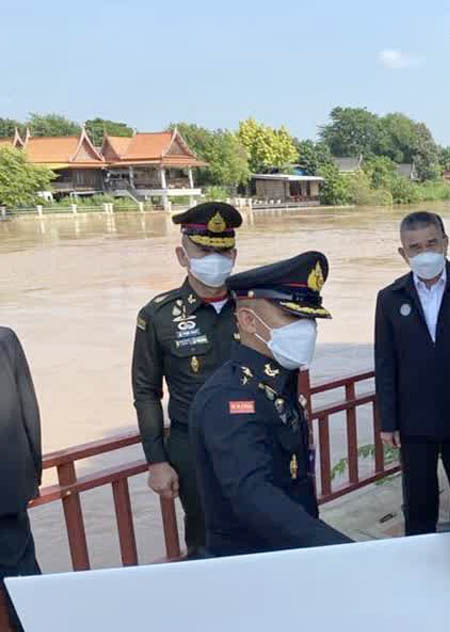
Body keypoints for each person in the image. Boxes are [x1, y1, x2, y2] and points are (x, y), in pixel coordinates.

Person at [190, 252, 350, 556]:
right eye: (292, 317)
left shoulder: (276, 381)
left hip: (289, 550)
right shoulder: (231, 398)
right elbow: (254, 496)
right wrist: (339, 550)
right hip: (252, 559)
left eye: (310, 318)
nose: (307, 329)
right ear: (248, 321)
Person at [132, 202, 242, 557]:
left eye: (222, 251)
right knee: (204, 540)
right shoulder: (159, 316)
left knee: (264, 528)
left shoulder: (254, 306)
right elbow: (146, 391)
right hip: (194, 446)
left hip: (252, 437)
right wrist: (156, 461)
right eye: (204, 251)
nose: (215, 259)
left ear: (234, 256)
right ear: (183, 256)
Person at [375, 212, 450, 535]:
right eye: (415, 247)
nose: (424, 253)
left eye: (431, 243)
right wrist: (388, 421)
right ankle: (420, 556)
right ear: (403, 253)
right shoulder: (390, 298)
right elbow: (385, 361)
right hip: (414, 421)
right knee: (419, 503)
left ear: (445, 243)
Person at [0, 328, 51, 632]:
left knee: (22, 583)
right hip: (7, 486)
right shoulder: (4, 341)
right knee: (22, 582)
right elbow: (28, 409)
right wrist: (31, 472)